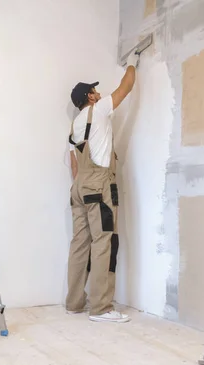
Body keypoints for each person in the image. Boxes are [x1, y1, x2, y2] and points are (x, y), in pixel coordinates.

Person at [65, 51, 140, 323]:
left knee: (79, 244)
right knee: (103, 242)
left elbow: (74, 165)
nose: (99, 92)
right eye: (95, 91)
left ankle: (74, 303)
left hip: (79, 187)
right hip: (99, 184)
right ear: (90, 97)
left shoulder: (74, 125)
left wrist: (82, 185)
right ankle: (101, 308)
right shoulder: (99, 110)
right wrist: (133, 62)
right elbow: (126, 87)